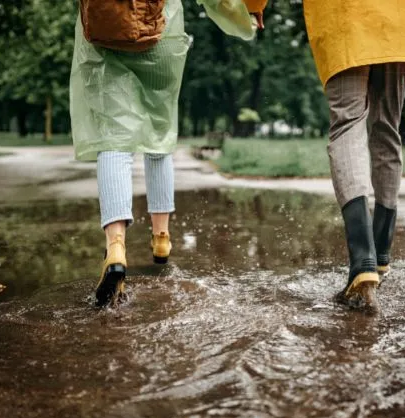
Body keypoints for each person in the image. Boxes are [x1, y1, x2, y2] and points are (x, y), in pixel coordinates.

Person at [70, 0, 262, 306]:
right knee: (158, 136)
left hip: (105, 30)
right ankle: (161, 240)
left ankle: (116, 248)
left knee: (114, 139)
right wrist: (244, 18)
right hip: (162, 30)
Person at [302, 0, 405, 307]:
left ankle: (363, 260)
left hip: (345, 15)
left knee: (347, 123)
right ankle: (381, 252)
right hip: (403, 17)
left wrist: (254, 4)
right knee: (387, 127)